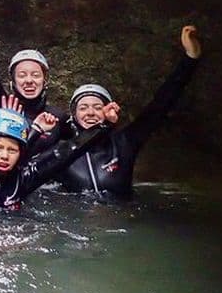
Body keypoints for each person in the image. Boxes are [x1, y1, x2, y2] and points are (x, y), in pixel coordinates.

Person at [0, 63, 117, 209]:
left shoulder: (25, 179)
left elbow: (70, 150)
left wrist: (105, 125)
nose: (4, 156)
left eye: (12, 150)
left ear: (21, 153)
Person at [56, 25, 202, 198]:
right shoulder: (61, 151)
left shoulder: (124, 143)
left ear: (108, 111)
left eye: (97, 107)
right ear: (74, 115)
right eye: (83, 108)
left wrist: (190, 59)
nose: (90, 113)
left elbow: (161, 105)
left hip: (120, 213)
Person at [0, 33, 66, 153]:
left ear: (45, 80)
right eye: (22, 75)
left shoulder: (58, 117)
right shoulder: (3, 108)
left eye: (35, 75)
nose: (29, 81)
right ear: (13, 81)